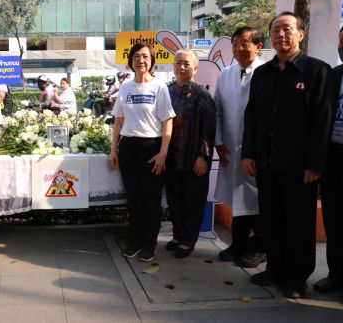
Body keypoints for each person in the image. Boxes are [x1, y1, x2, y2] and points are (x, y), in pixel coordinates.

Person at [242, 12, 333, 299]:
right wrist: (248, 154)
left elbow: (323, 121)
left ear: (300, 34)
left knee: (299, 223)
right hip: (266, 161)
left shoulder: (317, 71)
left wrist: (315, 163)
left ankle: (296, 277)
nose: (281, 34)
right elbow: (252, 116)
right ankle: (275, 268)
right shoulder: (262, 73)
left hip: (300, 165)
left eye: (287, 29)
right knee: (272, 219)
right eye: (275, 30)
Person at [108, 43, 175, 262]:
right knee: (134, 197)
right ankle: (136, 240)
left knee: (151, 199)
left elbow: (167, 122)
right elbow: (119, 122)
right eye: (136, 57)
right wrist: (113, 151)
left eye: (145, 56)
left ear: (152, 60)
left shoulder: (159, 87)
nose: (141, 61)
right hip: (128, 147)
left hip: (152, 147)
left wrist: (163, 153)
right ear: (130, 61)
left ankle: (150, 243)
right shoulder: (125, 87)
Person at [213, 27, 266, 268]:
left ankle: (260, 247)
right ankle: (239, 243)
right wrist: (218, 140)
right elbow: (218, 110)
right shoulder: (225, 74)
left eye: (244, 43)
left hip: (258, 151)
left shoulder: (267, 73)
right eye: (235, 44)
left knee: (259, 199)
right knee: (238, 198)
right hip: (230, 148)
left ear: (258, 45)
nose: (238, 49)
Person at [165, 49, 216, 258]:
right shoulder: (166, 91)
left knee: (193, 202)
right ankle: (177, 236)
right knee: (174, 201)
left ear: (195, 68)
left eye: (187, 63)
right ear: (173, 66)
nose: (182, 67)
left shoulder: (202, 94)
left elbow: (209, 128)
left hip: (193, 158)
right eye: (178, 63)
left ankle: (188, 241)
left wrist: (203, 157)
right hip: (171, 157)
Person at [313, 22, 343, 299]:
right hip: (333, 159)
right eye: (341, 43)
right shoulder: (333, 76)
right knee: (334, 220)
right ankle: (336, 274)